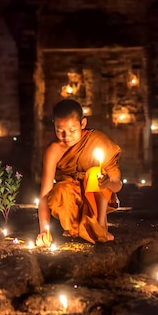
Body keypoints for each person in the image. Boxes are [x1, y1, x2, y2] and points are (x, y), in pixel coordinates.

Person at [36, 99, 122, 246]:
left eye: (72, 130)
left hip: (96, 194)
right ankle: (75, 227)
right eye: (59, 130)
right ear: (54, 125)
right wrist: (44, 230)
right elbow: (45, 194)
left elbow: (117, 185)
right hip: (72, 194)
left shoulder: (97, 141)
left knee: (95, 174)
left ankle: (100, 226)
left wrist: (107, 182)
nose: (66, 136)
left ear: (82, 124)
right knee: (59, 191)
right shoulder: (53, 151)